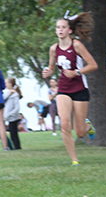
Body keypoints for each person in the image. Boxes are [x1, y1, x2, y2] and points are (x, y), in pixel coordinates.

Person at [42, 12, 98, 165]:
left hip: (80, 89)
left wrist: (76, 72)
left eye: (63, 27)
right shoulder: (53, 49)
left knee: (80, 132)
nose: (60, 30)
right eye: (57, 27)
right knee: (65, 124)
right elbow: (52, 67)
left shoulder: (77, 45)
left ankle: (87, 126)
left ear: (70, 30)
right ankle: (75, 160)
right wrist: (48, 72)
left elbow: (93, 65)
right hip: (63, 89)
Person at [4, 77, 23, 150]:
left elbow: (16, 107)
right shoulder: (7, 93)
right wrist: (9, 93)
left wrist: (9, 114)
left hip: (13, 117)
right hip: (9, 117)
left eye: (6, 83)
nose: (5, 84)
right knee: (12, 133)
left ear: (10, 84)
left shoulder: (15, 95)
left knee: (14, 133)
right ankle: (15, 146)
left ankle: (17, 147)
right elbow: (3, 99)